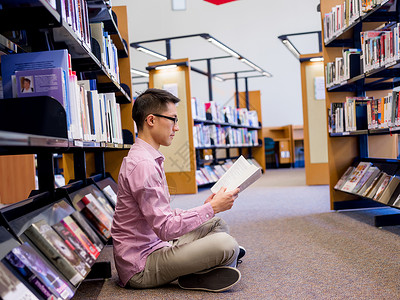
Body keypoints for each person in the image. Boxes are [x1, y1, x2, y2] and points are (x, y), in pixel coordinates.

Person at [111, 88, 245, 292]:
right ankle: (207, 266)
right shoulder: (143, 165)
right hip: (141, 266)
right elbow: (165, 229)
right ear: (151, 120)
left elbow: (162, 215)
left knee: (216, 223)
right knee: (226, 244)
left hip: (157, 245)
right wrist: (212, 208)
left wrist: (208, 207)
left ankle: (201, 270)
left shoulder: (147, 157)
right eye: (173, 119)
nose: (177, 127)